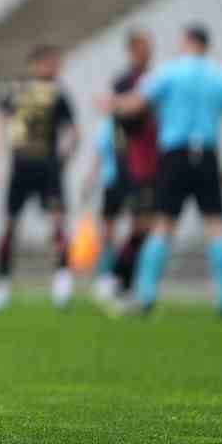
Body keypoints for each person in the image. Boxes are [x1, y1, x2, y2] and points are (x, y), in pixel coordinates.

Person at [102, 23, 222, 316]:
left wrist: (112, 103)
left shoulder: (169, 72)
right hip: (208, 155)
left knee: (162, 224)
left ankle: (146, 296)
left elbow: (137, 103)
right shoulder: (221, 77)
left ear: (187, 41)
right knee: (216, 226)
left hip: (175, 155)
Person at [0, 44, 77, 313]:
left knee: (57, 223)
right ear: (37, 63)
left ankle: (62, 283)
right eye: (52, 62)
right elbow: (1, 126)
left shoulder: (58, 92)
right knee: (11, 225)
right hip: (25, 166)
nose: (56, 67)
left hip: (45, 167)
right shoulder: (18, 90)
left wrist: (64, 159)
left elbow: (73, 132)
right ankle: (1, 286)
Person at [92, 29, 159, 302]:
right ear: (132, 50)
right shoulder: (124, 81)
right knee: (112, 224)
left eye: (149, 45)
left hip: (149, 164)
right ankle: (110, 276)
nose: (147, 50)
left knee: (143, 224)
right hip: (125, 164)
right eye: (142, 46)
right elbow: (121, 119)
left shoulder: (155, 79)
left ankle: (122, 278)